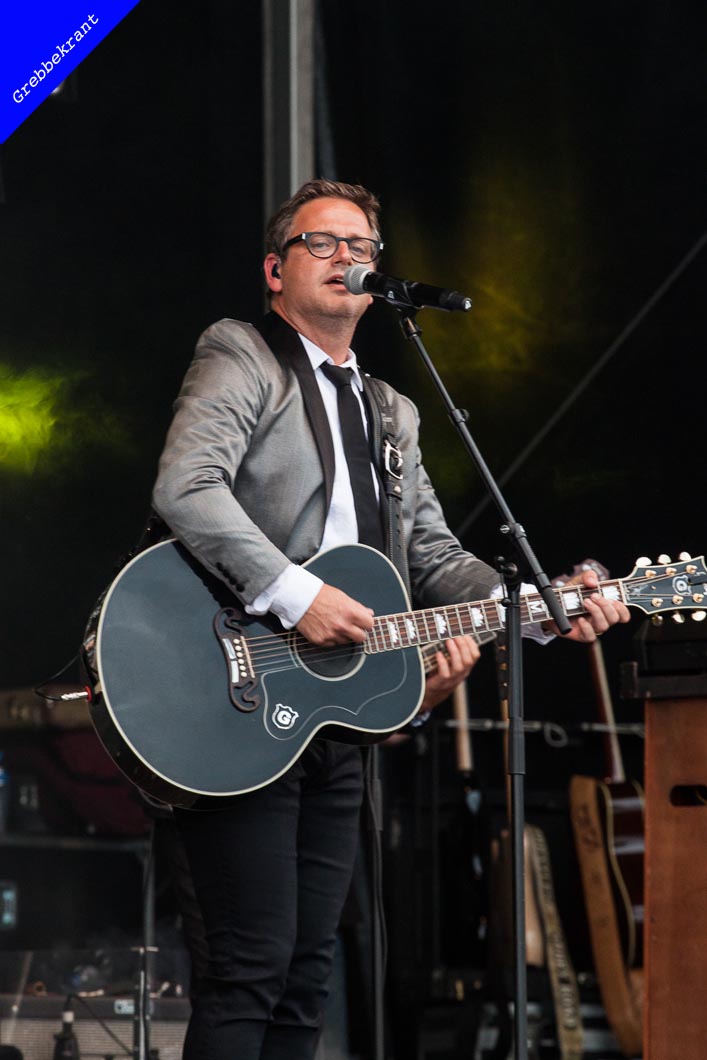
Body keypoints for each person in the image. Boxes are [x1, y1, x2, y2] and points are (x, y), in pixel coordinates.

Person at [151, 179, 629, 1059]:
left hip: (332, 715)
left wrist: (541, 608)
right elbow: (187, 487)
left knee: (306, 977)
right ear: (275, 269)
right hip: (231, 691)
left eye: (362, 247)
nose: (346, 258)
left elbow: (434, 558)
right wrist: (297, 595)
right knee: (248, 968)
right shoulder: (241, 353)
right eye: (321, 242)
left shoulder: (391, 412)